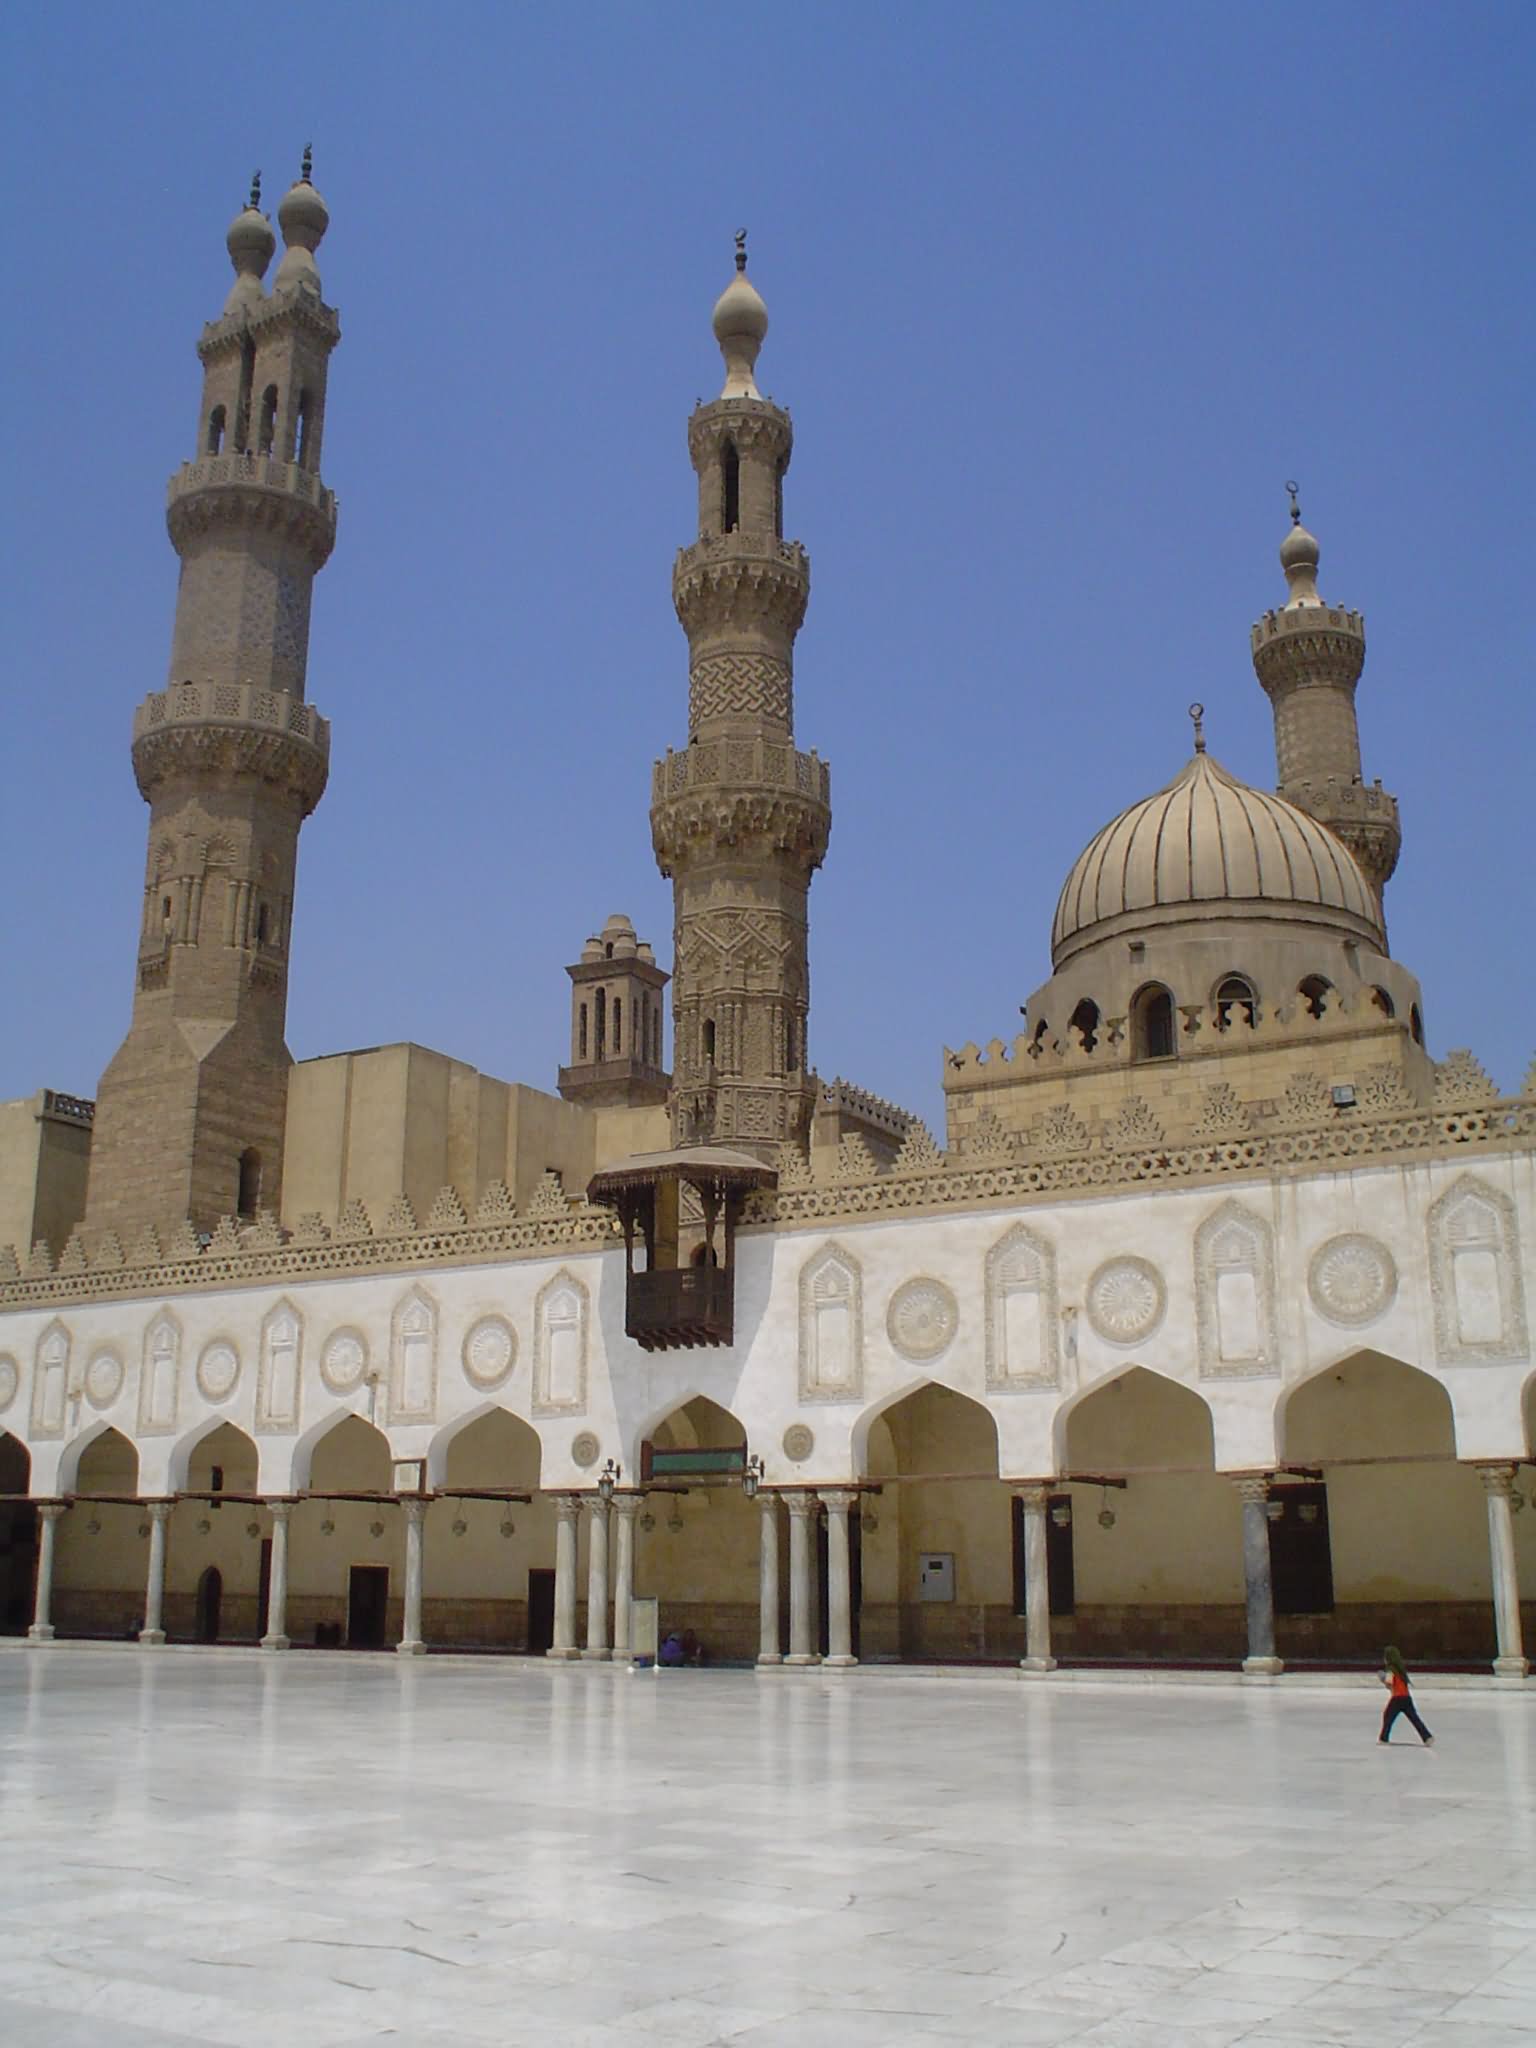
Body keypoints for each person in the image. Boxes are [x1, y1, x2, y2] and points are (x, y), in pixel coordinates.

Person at [1378, 1646, 1434, 1745]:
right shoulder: (1400, 1669)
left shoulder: (1390, 1669)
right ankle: (1427, 1737)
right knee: (1414, 1718)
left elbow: (1389, 1684)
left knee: (1388, 1717)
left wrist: (1382, 1678)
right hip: (1406, 1697)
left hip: (1397, 1698)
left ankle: (1384, 1738)